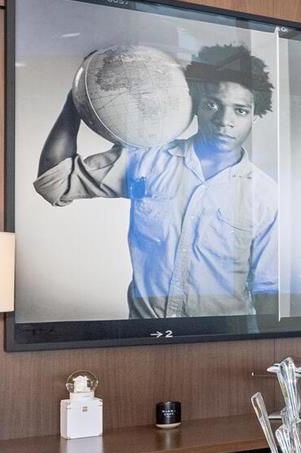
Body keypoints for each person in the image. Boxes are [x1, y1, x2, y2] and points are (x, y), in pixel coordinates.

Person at [34, 44, 280, 325]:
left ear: (255, 115)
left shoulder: (265, 194)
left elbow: (267, 288)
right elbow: (54, 181)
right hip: (145, 337)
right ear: (195, 106)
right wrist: (78, 97)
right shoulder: (147, 160)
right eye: (212, 105)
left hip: (223, 339)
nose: (225, 121)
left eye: (240, 110)